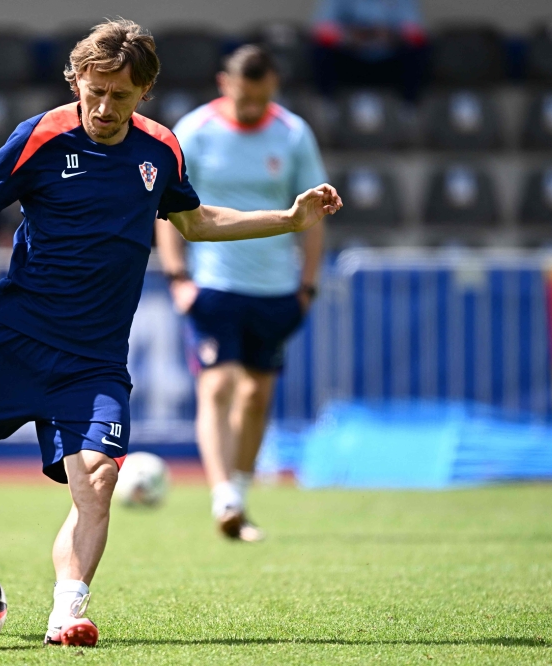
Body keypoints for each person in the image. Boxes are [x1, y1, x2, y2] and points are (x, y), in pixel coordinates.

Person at [0, 20, 341, 648]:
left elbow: (195, 223)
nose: (105, 108)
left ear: (143, 92)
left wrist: (286, 218)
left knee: (99, 478)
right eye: (94, 92)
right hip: (14, 345)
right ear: (77, 81)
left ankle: (67, 612)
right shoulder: (39, 135)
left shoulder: (161, 149)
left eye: (121, 95)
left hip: (93, 363)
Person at [155, 45, 328, 542]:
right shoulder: (194, 131)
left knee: (256, 394)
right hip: (214, 283)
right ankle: (223, 498)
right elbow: (169, 207)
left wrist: (307, 285)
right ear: (224, 83)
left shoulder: (293, 134)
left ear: (273, 88)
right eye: (244, 96)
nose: (252, 107)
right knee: (218, 384)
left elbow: (312, 217)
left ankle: (241, 491)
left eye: (262, 97)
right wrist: (178, 278)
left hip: (275, 288)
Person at [311, 0, 427, 103]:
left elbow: (415, 30)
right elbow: (322, 28)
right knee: (319, 49)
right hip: (350, 60)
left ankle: (409, 107)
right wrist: (350, 36)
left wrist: (390, 35)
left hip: (389, 61)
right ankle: (326, 106)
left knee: (419, 49)